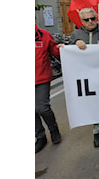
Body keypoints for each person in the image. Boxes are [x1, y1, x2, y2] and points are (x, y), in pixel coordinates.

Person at [64, 8, 99, 147]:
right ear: (82, 21)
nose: (90, 21)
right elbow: (68, 53)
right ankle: (97, 131)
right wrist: (73, 45)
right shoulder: (77, 35)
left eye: (92, 18)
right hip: (86, 77)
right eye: (87, 19)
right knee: (93, 102)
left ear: (96, 17)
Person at [35, 24, 61, 153]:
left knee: (42, 107)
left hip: (41, 78)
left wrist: (62, 49)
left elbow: (55, 51)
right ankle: (40, 137)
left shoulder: (44, 35)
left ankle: (53, 130)